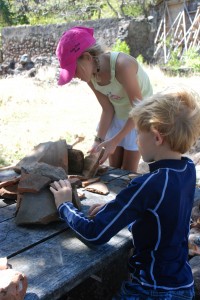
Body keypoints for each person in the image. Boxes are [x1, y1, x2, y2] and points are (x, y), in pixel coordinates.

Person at [50, 86, 200, 299]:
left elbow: (95, 234)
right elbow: (162, 217)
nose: (137, 141)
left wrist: (64, 205)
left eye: (139, 134)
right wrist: (121, 211)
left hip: (151, 291)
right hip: (182, 286)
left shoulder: (150, 184)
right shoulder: (187, 169)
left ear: (157, 137)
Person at [56, 26, 153, 172]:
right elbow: (107, 109)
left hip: (139, 118)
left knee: (127, 171)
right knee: (114, 168)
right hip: (119, 114)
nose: (74, 76)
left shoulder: (123, 66)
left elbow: (139, 109)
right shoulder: (90, 76)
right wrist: (98, 141)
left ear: (88, 58)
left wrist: (114, 141)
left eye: (74, 70)